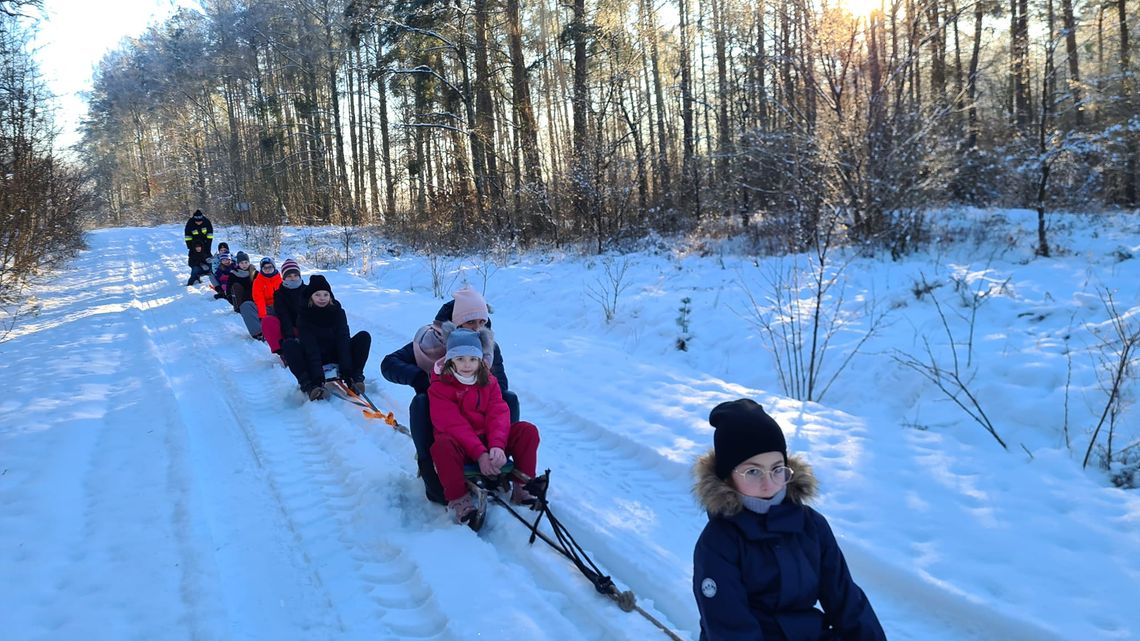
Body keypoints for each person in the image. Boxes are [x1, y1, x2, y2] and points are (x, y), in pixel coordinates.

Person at [692, 399, 886, 641]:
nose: (768, 482)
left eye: (777, 468)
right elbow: (730, 628)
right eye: (753, 471)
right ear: (727, 477)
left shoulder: (812, 526)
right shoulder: (719, 543)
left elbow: (846, 601)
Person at [380, 286, 518, 505]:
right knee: (421, 402)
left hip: (478, 416)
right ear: (454, 322)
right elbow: (389, 364)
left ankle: (498, 461)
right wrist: (421, 379)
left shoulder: (488, 346)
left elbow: (498, 391)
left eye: (482, 322)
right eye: (470, 322)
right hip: (443, 421)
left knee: (508, 399)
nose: (476, 328)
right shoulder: (431, 342)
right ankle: (428, 467)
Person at [429, 327, 539, 524]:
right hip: (459, 444)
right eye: (460, 359)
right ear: (450, 359)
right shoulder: (440, 386)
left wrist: (497, 445)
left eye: (472, 359)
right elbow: (453, 424)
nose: (467, 365)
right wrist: (480, 453)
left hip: (488, 440)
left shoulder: (489, 381)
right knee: (442, 447)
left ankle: (523, 487)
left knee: (527, 431)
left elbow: (498, 413)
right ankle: (459, 500)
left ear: (480, 359)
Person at [281, 275, 371, 401]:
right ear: (311, 296)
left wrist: (346, 370)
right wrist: (318, 378)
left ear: (330, 296)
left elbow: (343, 339)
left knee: (364, 337)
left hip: (336, 354)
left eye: (325, 294)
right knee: (289, 345)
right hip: (315, 358)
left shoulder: (338, 312)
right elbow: (310, 346)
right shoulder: (304, 316)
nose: (322, 298)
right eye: (317, 294)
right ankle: (310, 386)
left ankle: (354, 379)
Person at [264, 258, 304, 361]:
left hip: (307, 327)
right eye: (289, 276)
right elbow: (283, 316)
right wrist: (290, 338)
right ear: (284, 278)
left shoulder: (307, 290)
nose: (293, 278)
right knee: (268, 321)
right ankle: (284, 352)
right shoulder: (279, 294)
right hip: (289, 328)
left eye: (295, 275)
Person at [238, 257, 281, 341]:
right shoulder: (258, 281)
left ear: (274, 267)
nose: (267, 269)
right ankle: (259, 333)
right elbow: (259, 299)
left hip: (279, 307)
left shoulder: (280, 279)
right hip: (266, 308)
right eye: (265, 268)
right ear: (261, 269)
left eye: (270, 267)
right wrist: (263, 317)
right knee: (246, 306)